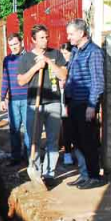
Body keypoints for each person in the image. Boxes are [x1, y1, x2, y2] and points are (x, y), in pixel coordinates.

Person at [17, 24, 68, 186]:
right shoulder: (25, 58)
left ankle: (49, 173)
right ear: (33, 40)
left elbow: (63, 75)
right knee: (34, 139)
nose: (45, 40)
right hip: (34, 104)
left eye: (46, 37)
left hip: (53, 102)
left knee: (53, 140)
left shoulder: (56, 54)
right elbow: (21, 81)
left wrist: (48, 62)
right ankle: (36, 170)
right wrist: (36, 67)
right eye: (41, 38)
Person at [64, 18, 106, 190]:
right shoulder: (75, 51)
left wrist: (91, 105)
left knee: (88, 141)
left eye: (71, 34)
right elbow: (71, 76)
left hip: (85, 103)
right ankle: (84, 174)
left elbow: (98, 81)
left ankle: (94, 177)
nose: (69, 38)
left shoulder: (94, 52)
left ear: (81, 33)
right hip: (73, 102)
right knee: (76, 140)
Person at [0, 33, 29, 165]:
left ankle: (29, 157)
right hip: (12, 100)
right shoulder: (7, 60)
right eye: (11, 45)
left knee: (28, 129)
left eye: (16, 44)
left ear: (22, 42)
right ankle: (16, 157)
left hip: (28, 98)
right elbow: (5, 79)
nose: (13, 47)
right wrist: (2, 98)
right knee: (14, 129)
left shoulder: (29, 57)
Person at [59, 43, 76, 167]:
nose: (64, 56)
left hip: (75, 99)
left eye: (66, 53)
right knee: (66, 126)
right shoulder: (63, 65)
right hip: (64, 100)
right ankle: (67, 153)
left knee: (75, 128)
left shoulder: (75, 64)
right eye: (62, 53)